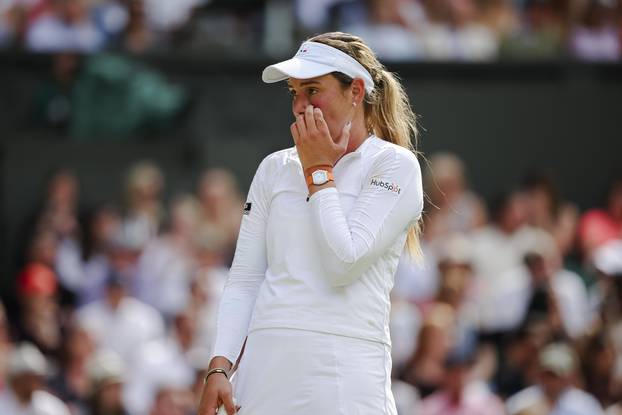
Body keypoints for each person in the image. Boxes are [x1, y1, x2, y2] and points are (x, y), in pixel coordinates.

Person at [198, 31, 424, 415]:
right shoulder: (274, 168)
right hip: (265, 375)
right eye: (294, 93)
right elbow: (246, 278)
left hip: (345, 378)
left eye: (313, 91)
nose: (300, 106)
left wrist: (318, 170)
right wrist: (219, 366)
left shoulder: (394, 165)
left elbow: (343, 262)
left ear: (355, 91)